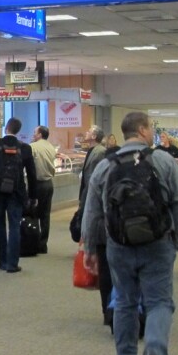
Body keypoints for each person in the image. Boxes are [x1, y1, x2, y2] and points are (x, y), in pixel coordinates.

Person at [82, 111, 178, 355]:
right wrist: (177, 238)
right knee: (159, 303)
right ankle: (154, 352)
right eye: (151, 128)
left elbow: (92, 212)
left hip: (118, 244)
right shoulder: (164, 161)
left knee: (126, 301)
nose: (152, 132)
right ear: (142, 130)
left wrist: (90, 248)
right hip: (157, 243)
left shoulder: (105, 166)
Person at [0, 117, 37, 273]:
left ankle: (2, 261)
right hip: (16, 193)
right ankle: (12, 264)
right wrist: (32, 196)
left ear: (6, 128)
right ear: (18, 131)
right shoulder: (25, 148)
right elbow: (32, 174)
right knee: (14, 227)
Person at [72, 126, 113, 323]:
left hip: (97, 215)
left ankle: (110, 311)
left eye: (89, 132)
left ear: (95, 136)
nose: (85, 134)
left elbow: (92, 182)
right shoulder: (94, 152)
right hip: (97, 212)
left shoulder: (99, 154)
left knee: (106, 268)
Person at [29, 125, 57, 253]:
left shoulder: (33, 147)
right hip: (48, 184)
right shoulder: (51, 147)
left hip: (37, 184)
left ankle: (33, 240)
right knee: (45, 215)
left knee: (33, 213)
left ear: (40, 134)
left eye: (35, 132)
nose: (33, 134)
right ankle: (43, 244)